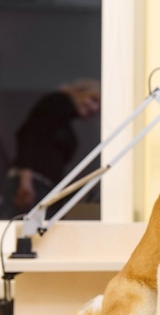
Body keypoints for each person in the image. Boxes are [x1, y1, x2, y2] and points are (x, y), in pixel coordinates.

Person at [1, 79, 100, 219]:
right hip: (32, 183)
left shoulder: (64, 119)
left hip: (41, 185)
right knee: (26, 233)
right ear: (80, 91)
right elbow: (28, 134)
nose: (94, 108)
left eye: (98, 106)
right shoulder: (56, 103)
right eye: (93, 99)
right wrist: (26, 179)